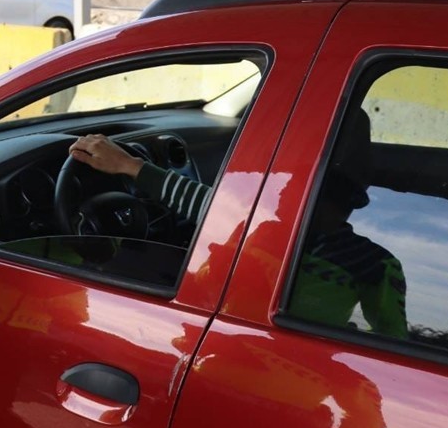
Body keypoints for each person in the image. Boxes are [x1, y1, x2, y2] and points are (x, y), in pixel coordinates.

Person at [69, 108, 407, 337]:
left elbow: (390, 346)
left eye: (289, 182)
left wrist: (130, 167)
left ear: (315, 193)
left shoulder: (266, 233)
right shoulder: (270, 230)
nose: (279, 191)